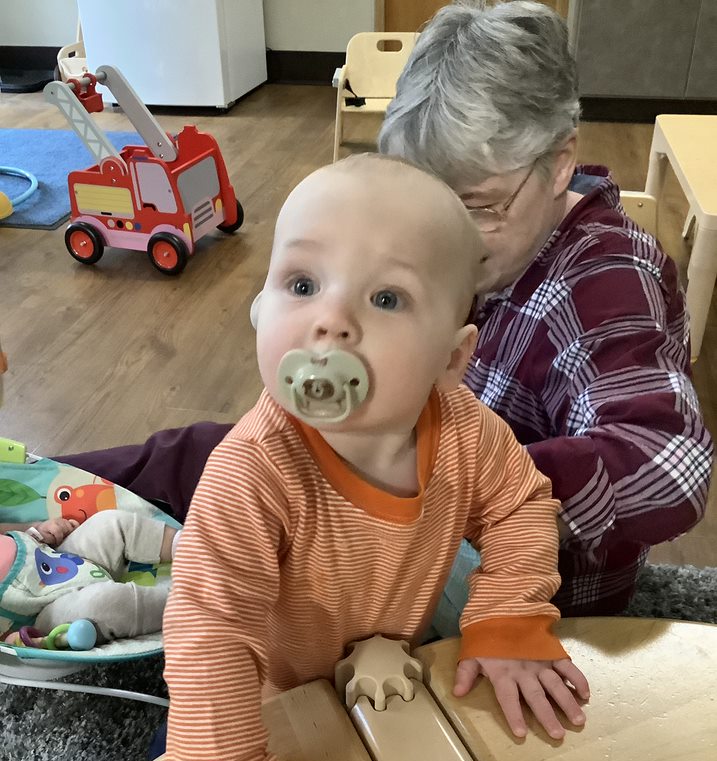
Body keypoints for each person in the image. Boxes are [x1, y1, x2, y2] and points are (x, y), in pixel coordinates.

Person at [57, 1, 712, 620]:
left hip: (500, 594)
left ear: (559, 162)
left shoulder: (605, 278)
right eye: (431, 198)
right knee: (216, 455)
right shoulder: (484, 243)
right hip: (398, 514)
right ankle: (41, 485)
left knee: (240, 573)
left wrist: (434, 480)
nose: (445, 237)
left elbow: (667, 463)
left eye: (478, 207)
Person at [162, 153, 590, 761]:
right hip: (278, 695)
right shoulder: (253, 473)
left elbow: (522, 504)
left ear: (453, 360)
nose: (330, 321)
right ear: (260, 309)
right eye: (300, 284)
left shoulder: (463, 430)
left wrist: (506, 616)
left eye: (386, 297)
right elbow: (209, 638)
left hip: (394, 650)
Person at [0, 510, 179, 641]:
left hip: (56, 558)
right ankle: (186, 602)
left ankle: (190, 545)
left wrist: (38, 528)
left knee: (108, 523)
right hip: (41, 615)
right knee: (106, 602)